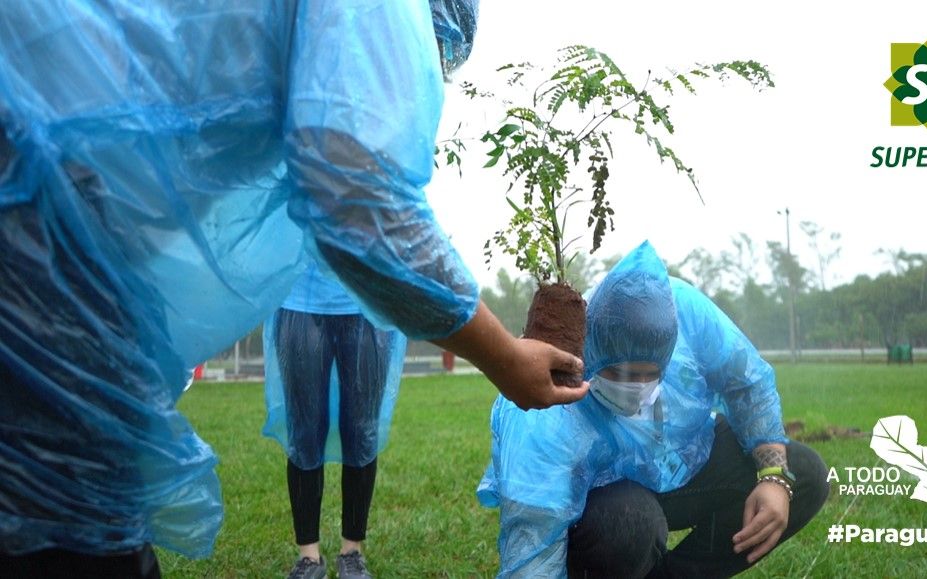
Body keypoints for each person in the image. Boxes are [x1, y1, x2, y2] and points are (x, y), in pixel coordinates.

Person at [0, 1, 585, 576]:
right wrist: (504, 357)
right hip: (32, 175)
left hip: (48, 168)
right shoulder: (381, 13)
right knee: (65, 515)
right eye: (430, 63)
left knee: (59, 503)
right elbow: (357, 199)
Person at [477, 241, 829, 578]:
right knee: (633, 524)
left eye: (650, 375)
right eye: (621, 373)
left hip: (684, 456)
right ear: (592, 352)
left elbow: (746, 381)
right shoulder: (549, 407)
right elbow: (534, 525)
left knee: (804, 473)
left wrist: (774, 477)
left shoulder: (685, 311)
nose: (637, 389)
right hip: (607, 499)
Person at [262, 263, 407, 579]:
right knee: (304, 430)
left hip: (369, 300)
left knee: (361, 429)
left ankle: (351, 552)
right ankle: (308, 558)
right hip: (298, 298)